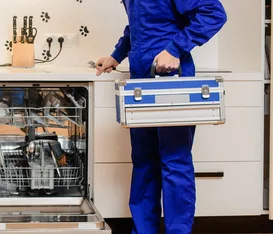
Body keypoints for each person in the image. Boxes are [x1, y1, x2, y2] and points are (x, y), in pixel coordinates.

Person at [95, 1, 227, 233]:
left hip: (170, 76)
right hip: (141, 79)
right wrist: (117, 55)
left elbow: (214, 13)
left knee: (174, 160)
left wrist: (175, 49)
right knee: (144, 161)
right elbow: (139, 26)